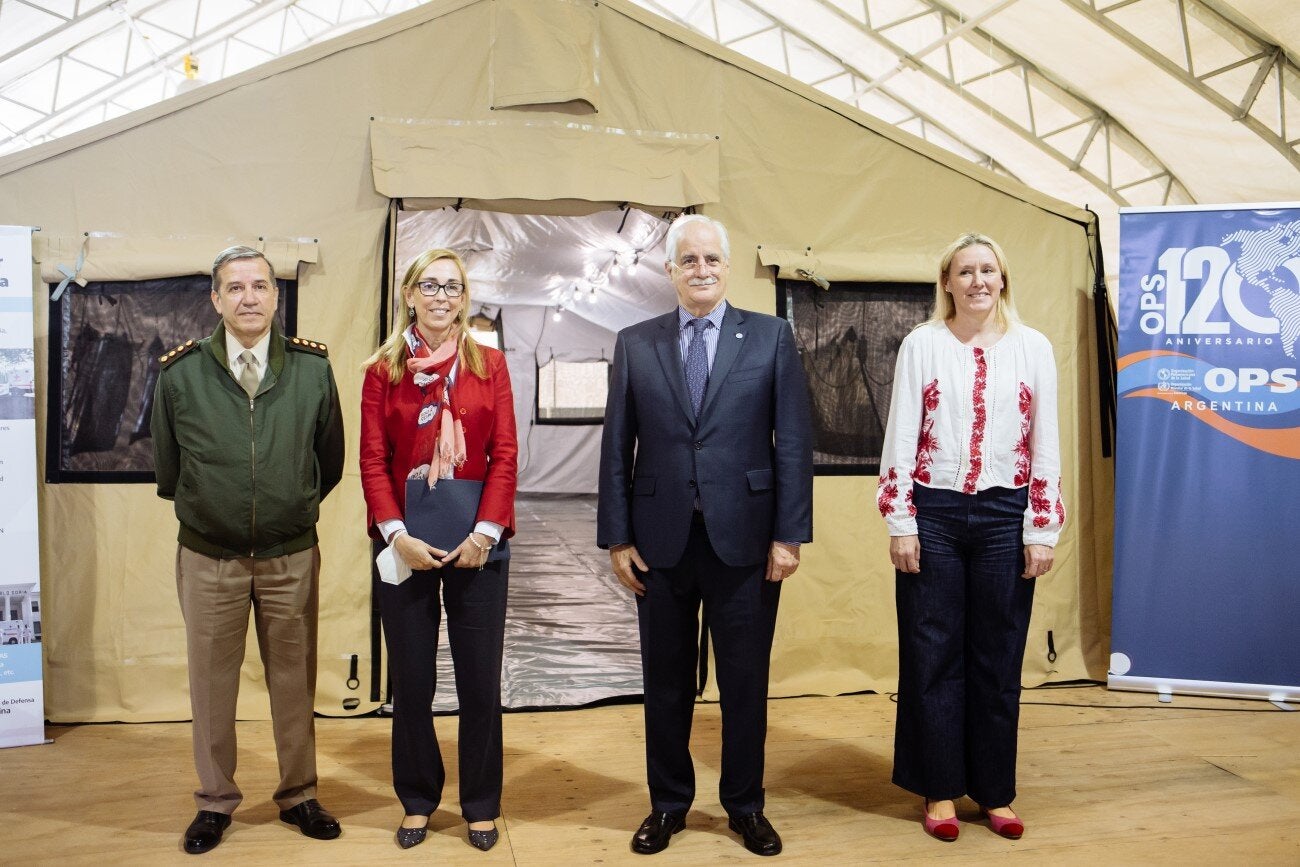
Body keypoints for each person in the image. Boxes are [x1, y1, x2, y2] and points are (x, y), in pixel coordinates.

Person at [597, 214, 813, 857]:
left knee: (745, 684)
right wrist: (616, 537)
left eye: (712, 259)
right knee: (665, 684)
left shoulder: (772, 338)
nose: (701, 270)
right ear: (670, 270)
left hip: (746, 543)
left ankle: (745, 805)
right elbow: (617, 449)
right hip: (658, 544)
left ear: (728, 265)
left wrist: (788, 535)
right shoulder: (637, 343)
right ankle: (667, 805)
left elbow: (793, 444)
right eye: (688, 260)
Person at [152, 245, 345, 855]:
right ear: (215, 300)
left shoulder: (313, 372)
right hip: (209, 558)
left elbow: (330, 461)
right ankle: (214, 802)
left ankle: (299, 795)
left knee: (294, 677)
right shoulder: (180, 376)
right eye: (234, 288)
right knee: (211, 684)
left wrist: (290, 504)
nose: (249, 298)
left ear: (275, 296)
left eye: (259, 286)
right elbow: (167, 470)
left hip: (291, 556)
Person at [876, 232, 1064, 843]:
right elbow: (902, 433)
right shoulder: (922, 344)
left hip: (1006, 515)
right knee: (932, 656)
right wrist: (901, 520)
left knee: (999, 656)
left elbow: (1046, 443)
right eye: (966, 272)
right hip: (932, 512)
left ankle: (995, 791)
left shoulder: (1033, 348)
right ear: (947, 283)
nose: (978, 281)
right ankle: (939, 789)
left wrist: (1041, 527)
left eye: (988, 270)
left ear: (1002, 278)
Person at [359, 249, 518, 852]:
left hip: (480, 543)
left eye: (453, 286)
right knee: (414, 683)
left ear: (464, 296)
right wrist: (396, 533)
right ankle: (419, 798)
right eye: (430, 285)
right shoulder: (383, 371)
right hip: (406, 544)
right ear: (409, 293)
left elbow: (504, 454)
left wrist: (485, 534)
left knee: (480, 682)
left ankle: (480, 802)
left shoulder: (491, 364)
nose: (442, 296)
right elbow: (373, 460)